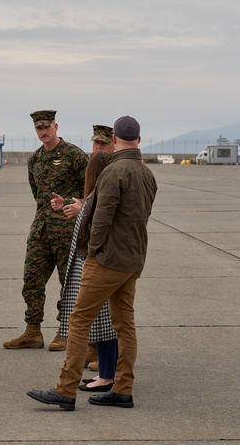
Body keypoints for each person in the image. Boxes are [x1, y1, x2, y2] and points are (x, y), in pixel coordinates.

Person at [28, 115, 157, 410]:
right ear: (139, 139)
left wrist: (93, 252)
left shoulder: (114, 172)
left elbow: (101, 220)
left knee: (79, 319)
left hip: (107, 261)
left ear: (114, 140)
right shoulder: (146, 174)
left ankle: (66, 389)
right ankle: (123, 388)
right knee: (124, 324)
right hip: (133, 259)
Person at [4, 111, 87, 351]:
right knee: (31, 280)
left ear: (56, 126)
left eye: (47, 127)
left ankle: (65, 332)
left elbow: (90, 194)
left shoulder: (75, 156)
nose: (43, 132)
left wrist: (70, 202)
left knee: (69, 283)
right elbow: (37, 195)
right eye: (39, 128)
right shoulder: (35, 160)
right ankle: (32, 332)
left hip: (68, 231)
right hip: (41, 230)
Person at [52, 151, 118, 392]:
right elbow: (89, 210)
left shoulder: (99, 196)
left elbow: (96, 222)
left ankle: (88, 380)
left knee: (96, 323)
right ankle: (106, 374)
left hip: (94, 266)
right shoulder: (97, 196)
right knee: (104, 324)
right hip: (99, 264)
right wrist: (76, 206)